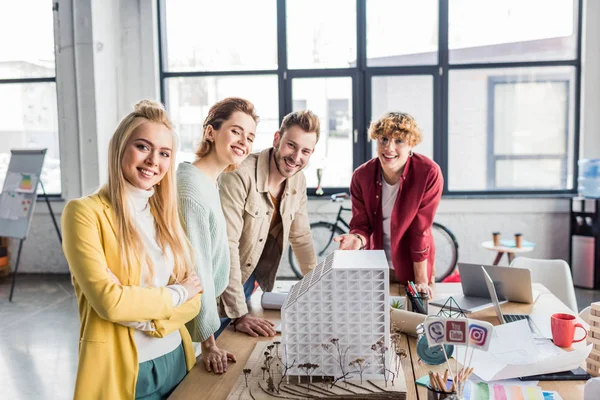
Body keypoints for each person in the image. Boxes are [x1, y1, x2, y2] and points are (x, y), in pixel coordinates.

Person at [62, 100, 203, 399]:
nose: (154, 160)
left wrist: (147, 311)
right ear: (120, 148)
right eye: (143, 146)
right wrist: (176, 294)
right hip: (127, 370)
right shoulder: (85, 213)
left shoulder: (165, 215)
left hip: (178, 359)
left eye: (164, 153)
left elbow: (196, 298)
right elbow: (110, 303)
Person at [217, 110, 320, 337]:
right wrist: (239, 313)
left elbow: (301, 237)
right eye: (291, 145)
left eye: (305, 151)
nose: (296, 157)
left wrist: (318, 289)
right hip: (222, 283)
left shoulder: (298, 179)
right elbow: (227, 245)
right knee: (219, 347)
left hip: (251, 278)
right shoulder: (239, 174)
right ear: (277, 139)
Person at [177, 97, 258, 374]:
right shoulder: (191, 189)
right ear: (210, 131)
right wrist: (209, 345)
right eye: (236, 131)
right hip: (181, 323)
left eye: (249, 137)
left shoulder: (210, 181)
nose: (243, 142)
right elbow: (197, 269)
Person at [334, 112, 443, 297]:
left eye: (399, 141)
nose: (389, 148)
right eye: (383, 139)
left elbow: (420, 230)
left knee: (414, 319)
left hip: (414, 267)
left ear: (411, 144)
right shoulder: (361, 176)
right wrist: (356, 239)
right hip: (376, 266)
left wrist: (421, 281)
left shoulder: (428, 173)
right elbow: (362, 225)